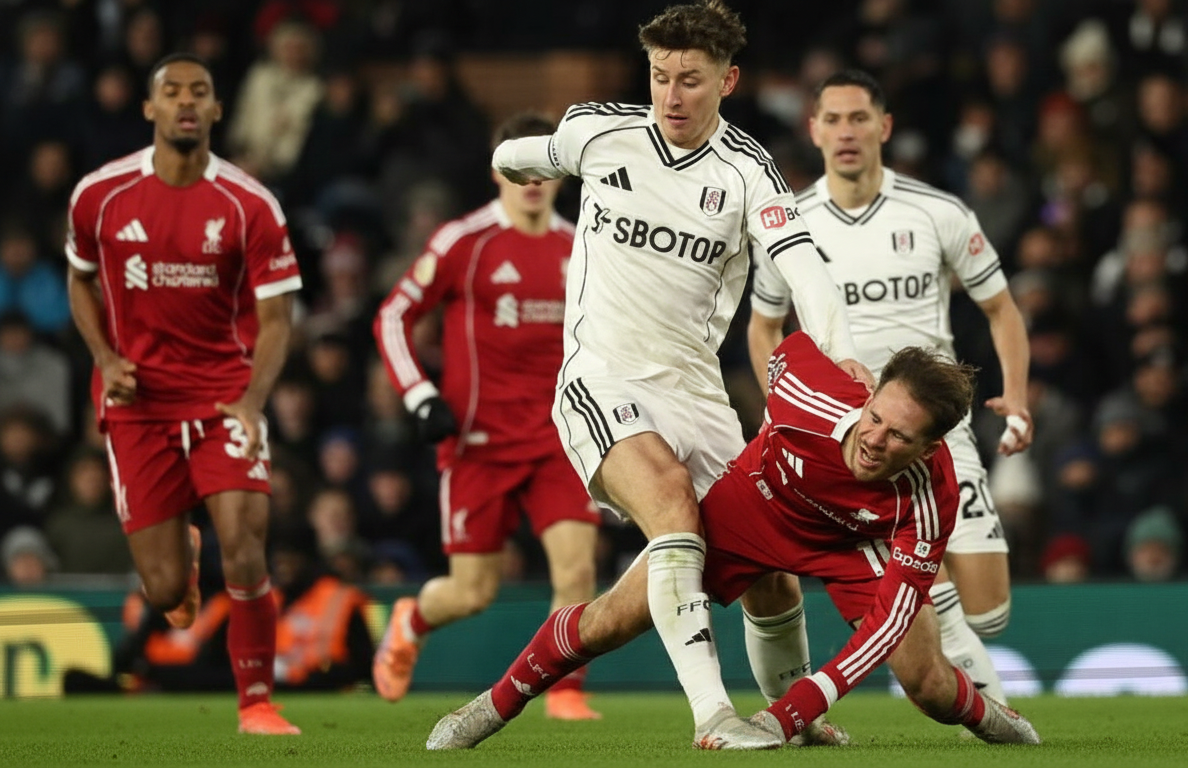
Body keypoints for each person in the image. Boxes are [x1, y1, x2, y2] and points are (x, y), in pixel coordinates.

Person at [490, 0, 868, 748]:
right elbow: (519, 157)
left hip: (695, 394)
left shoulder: (749, 171)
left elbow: (803, 270)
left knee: (771, 571)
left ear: (728, 81)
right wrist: (519, 160)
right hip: (602, 378)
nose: (671, 96)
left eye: (690, 80)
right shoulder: (601, 131)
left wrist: (840, 351)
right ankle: (711, 715)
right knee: (668, 505)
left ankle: (789, 716)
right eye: (660, 76)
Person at [424, 334, 1040, 750]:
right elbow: (786, 349)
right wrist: (834, 357)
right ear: (869, 395)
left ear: (931, 449)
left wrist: (788, 713)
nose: (876, 440)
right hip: (756, 507)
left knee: (929, 684)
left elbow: (880, 630)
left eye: (900, 437)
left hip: (855, 546)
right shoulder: (807, 393)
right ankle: (491, 707)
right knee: (613, 619)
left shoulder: (933, 495)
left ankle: (997, 720)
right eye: (875, 416)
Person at [747, 70, 1032, 706]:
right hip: (855, 434)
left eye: (859, 118)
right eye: (834, 120)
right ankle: (963, 677)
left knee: (991, 614)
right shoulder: (789, 225)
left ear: (884, 127)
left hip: (938, 428)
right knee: (922, 587)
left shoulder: (938, 212)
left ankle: (941, 615)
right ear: (813, 129)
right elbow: (764, 326)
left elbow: (1002, 309)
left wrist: (1016, 394)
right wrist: (787, 402)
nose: (846, 132)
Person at [65, 52, 302, 735]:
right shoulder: (99, 195)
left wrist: (255, 402)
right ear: (150, 109)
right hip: (138, 405)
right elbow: (80, 279)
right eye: (172, 92)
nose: (186, 102)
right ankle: (181, 561)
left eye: (200, 91)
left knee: (246, 543)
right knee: (167, 592)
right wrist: (104, 358)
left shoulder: (249, 203)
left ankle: (257, 702)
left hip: (225, 396)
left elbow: (278, 317)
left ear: (218, 110)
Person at [371, 112, 603, 720]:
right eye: (517, 167)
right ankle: (411, 619)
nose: (531, 180)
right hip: (478, 441)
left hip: (560, 437)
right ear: (497, 170)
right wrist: (420, 395)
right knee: (472, 592)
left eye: (542, 168)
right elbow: (393, 316)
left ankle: (568, 693)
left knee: (576, 568)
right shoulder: (462, 242)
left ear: (559, 174)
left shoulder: (581, 245)